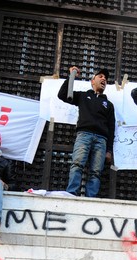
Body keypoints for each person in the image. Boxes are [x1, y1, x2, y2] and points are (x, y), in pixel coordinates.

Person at [58, 66, 115, 198]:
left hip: (101, 140)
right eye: (100, 76)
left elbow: (112, 128)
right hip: (84, 135)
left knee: (96, 171)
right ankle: (72, 193)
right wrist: (71, 76)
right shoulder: (83, 96)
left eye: (105, 78)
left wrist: (109, 150)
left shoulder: (109, 104)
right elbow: (62, 95)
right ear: (92, 81)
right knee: (77, 164)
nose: (104, 79)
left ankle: (91, 198)